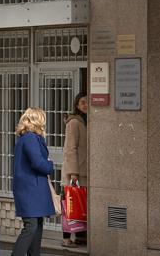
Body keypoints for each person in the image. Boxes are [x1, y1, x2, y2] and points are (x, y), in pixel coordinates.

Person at [11, 108, 55, 256]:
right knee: (31, 226)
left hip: (31, 189)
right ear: (37, 121)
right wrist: (50, 165)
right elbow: (37, 162)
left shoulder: (26, 138)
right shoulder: (30, 138)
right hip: (31, 189)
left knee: (36, 225)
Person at [61, 93, 88, 248]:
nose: (86, 105)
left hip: (84, 170)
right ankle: (66, 239)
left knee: (80, 205)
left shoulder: (87, 122)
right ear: (77, 105)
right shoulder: (74, 123)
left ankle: (80, 237)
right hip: (75, 172)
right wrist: (73, 173)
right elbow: (70, 149)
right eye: (82, 102)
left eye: (88, 102)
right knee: (70, 206)